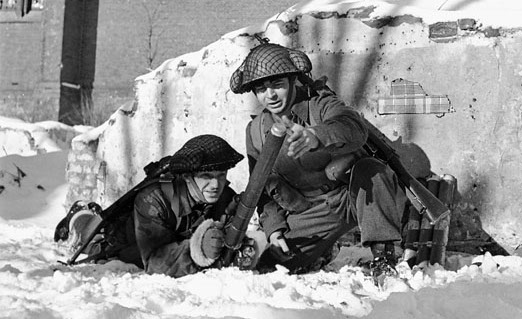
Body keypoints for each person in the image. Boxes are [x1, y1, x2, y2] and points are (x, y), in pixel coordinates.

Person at [230, 42, 408, 275]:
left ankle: (384, 255)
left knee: (372, 170)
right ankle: (323, 252)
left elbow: (353, 127)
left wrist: (316, 135)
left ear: (293, 82)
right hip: (310, 213)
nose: (270, 95)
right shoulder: (255, 132)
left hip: (352, 198)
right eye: (261, 89)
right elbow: (262, 189)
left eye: (278, 85)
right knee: (270, 266)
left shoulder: (320, 105)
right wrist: (274, 229)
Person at [60, 134, 245, 278]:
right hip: (117, 242)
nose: (216, 184)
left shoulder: (225, 197)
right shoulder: (154, 198)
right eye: (206, 176)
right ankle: (78, 215)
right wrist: (198, 249)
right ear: (188, 176)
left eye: (221, 175)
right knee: (86, 236)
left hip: (163, 239)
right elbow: (155, 262)